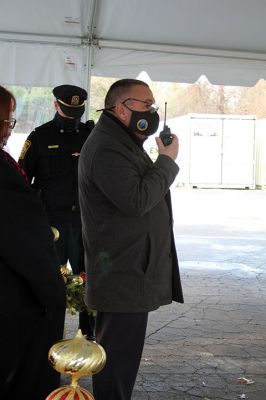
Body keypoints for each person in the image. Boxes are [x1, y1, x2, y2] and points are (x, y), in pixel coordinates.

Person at [78, 78, 184, 400]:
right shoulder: (107, 148)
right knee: (116, 372)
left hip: (129, 273)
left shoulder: (121, 142)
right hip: (122, 278)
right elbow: (137, 199)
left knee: (120, 367)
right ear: (122, 109)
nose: (152, 112)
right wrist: (167, 160)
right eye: (146, 105)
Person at [0, 85, 66, 400]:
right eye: (5, 121)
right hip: (13, 310)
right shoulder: (4, 174)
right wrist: (55, 295)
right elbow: (29, 250)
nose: (7, 130)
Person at [18, 84, 95, 338]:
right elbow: (21, 180)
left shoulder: (90, 137)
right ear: (55, 106)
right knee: (52, 280)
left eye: (76, 111)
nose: (72, 116)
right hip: (52, 224)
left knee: (88, 278)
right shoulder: (39, 137)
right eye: (67, 110)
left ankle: (88, 333)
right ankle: (50, 332)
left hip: (84, 222)